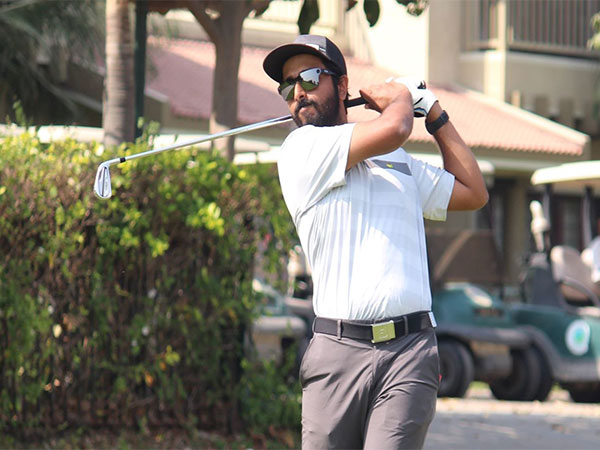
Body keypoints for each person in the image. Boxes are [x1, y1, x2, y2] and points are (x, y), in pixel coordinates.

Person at [263, 34, 488, 449]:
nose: (298, 92)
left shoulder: (397, 162)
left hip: (409, 352)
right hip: (337, 352)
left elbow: (473, 192)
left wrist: (435, 113)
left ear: (342, 86)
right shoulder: (300, 150)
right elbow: (397, 126)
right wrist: (404, 97)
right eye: (287, 85)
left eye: (310, 78)